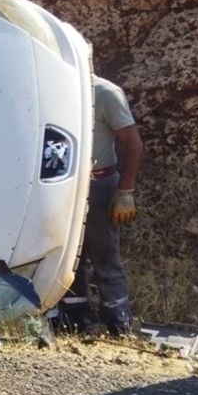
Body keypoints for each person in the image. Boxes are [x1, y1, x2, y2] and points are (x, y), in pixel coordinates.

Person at [59, 75, 144, 334]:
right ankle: (75, 319)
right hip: (64, 185)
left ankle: (119, 322)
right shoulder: (54, 84)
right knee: (70, 256)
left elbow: (132, 142)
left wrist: (125, 191)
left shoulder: (105, 93)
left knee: (105, 254)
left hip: (100, 184)